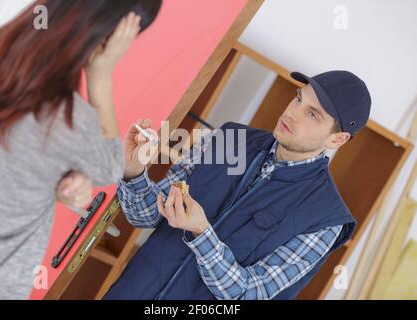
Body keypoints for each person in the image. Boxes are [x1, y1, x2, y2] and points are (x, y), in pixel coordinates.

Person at [101, 70, 372, 300]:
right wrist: (133, 173)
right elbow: (146, 216)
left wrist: (201, 232)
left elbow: (247, 293)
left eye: (312, 114)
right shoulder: (229, 139)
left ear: (337, 140)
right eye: (298, 99)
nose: (292, 114)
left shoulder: (325, 218)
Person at [0, 0, 162, 300]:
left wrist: (51, 185)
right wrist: (100, 78)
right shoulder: (65, 121)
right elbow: (109, 167)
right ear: (108, 37)